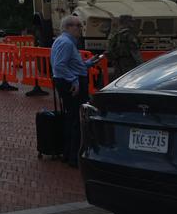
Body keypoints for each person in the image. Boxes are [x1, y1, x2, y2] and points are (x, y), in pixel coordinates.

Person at [50, 15, 100, 167]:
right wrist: (73, 80)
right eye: (77, 25)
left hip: (70, 81)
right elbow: (59, 66)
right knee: (76, 120)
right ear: (68, 27)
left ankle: (69, 154)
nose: (80, 28)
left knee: (72, 118)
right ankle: (74, 156)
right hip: (72, 84)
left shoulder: (65, 42)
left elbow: (68, 64)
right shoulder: (66, 43)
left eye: (80, 25)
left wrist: (87, 64)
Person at [106, 14, 143, 80]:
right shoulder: (128, 35)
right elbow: (135, 51)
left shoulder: (113, 34)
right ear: (127, 22)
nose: (133, 24)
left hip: (118, 65)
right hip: (129, 65)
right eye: (131, 22)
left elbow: (109, 51)